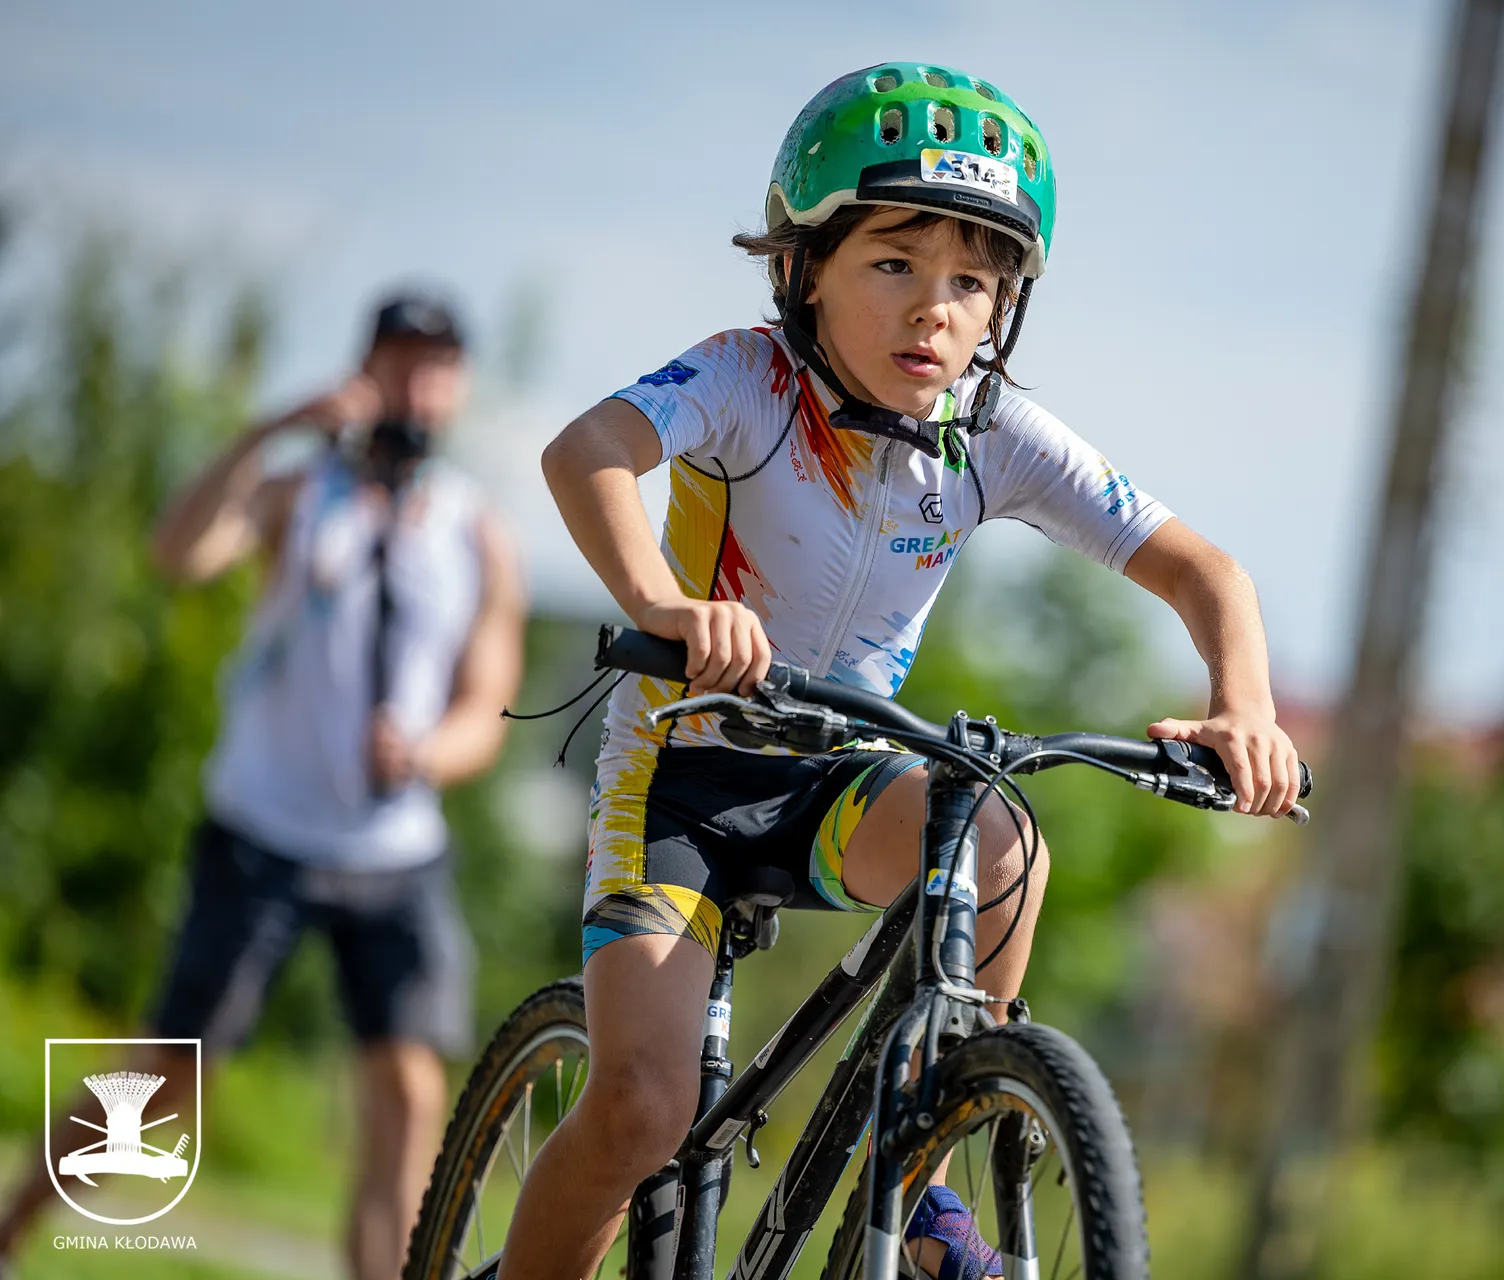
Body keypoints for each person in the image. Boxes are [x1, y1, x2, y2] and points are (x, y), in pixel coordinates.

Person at [501, 65, 1301, 1280]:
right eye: (894, 265)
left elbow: (1207, 570)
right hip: (679, 780)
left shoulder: (987, 432)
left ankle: (918, 1181)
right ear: (804, 266)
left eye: (971, 282)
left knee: (1003, 839)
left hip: (842, 780)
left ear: (1000, 310)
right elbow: (589, 450)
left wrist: (1246, 707)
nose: (934, 309)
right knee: (642, 1110)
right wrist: (663, 603)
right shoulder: (745, 380)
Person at [0, 290, 526, 1280]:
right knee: (169, 1077)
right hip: (265, 830)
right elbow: (178, 551)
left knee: (411, 1088)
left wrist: (422, 752)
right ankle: (15, 1221)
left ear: (454, 385)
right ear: (365, 367)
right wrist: (273, 426)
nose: (417, 384)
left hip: (392, 846)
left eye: (436, 366)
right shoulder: (299, 492)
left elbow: (486, 700)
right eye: (399, 360)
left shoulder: (473, 530)